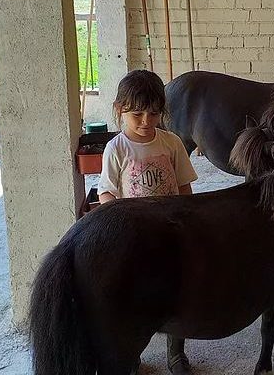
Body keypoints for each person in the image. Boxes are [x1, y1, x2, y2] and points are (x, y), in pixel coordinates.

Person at [98, 69, 198, 375]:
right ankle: (133, 354)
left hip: (169, 232)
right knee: (135, 296)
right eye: (137, 113)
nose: (145, 121)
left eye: (154, 114)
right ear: (119, 110)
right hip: (135, 237)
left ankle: (175, 354)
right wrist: (119, 224)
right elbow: (106, 192)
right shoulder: (117, 148)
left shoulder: (171, 144)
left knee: (175, 291)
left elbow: (184, 187)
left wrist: (187, 221)